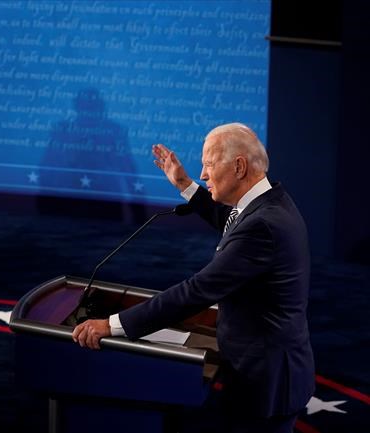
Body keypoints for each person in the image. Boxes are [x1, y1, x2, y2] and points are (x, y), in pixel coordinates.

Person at [71, 123, 315, 433]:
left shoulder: (262, 226)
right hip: (268, 370)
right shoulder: (269, 204)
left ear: (239, 166)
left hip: (265, 380)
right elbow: (230, 221)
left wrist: (113, 325)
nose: (203, 173)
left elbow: (197, 290)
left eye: (209, 164)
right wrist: (184, 185)